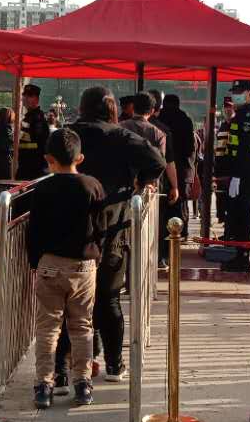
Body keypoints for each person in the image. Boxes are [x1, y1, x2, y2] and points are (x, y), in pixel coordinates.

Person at [54, 85, 166, 386]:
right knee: (109, 297)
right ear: (113, 109)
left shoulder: (70, 134)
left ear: (82, 106)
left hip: (72, 228)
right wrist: (140, 184)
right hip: (112, 226)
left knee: (70, 301)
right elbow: (157, 161)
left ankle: (67, 367)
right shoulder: (121, 136)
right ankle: (114, 365)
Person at [10, 128, 107, 409]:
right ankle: (83, 384)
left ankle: (43, 385)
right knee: (82, 326)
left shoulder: (42, 188)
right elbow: (101, 228)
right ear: (80, 157)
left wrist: (35, 263)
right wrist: (96, 256)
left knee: (48, 328)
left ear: (48, 159)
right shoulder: (93, 186)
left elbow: (34, 231)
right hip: (83, 266)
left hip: (49, 265)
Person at [223, 80, 250, 271]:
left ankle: (243, 257)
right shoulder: (242, 114)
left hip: (246, 175)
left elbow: (247, 150)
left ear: (249, 94)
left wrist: (238, 175)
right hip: (242, 174)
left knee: (244, 214)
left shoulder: (248, 116)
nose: (235, 95)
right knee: (239, 214)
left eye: (239, 92)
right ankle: (239, 254)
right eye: (234, 91)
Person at [159, 92, 196, 257]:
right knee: (179, 205)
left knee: (162, 207)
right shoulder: (185, 120)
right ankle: (179, 235)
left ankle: (163, 242)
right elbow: (190, 148)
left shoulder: (159, 120)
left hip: (162, 170)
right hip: (181, 169)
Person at [16, 83, 50, 181]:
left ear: (37, 99)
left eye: (30, 96)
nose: (26, 98)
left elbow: (40, 144)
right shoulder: (28, 117)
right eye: (25, 95)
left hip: (34, 169)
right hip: (25, 166)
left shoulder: (37, 119)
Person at [213, 93, 235, 226]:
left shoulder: (235, 125)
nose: (227, 110)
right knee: (221, 197)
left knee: (229, 198)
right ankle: (223, 219)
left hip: (231, 168)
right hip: (220, 168)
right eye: (226, 107)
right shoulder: (222, 125)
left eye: (230, 107)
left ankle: (229, 225)